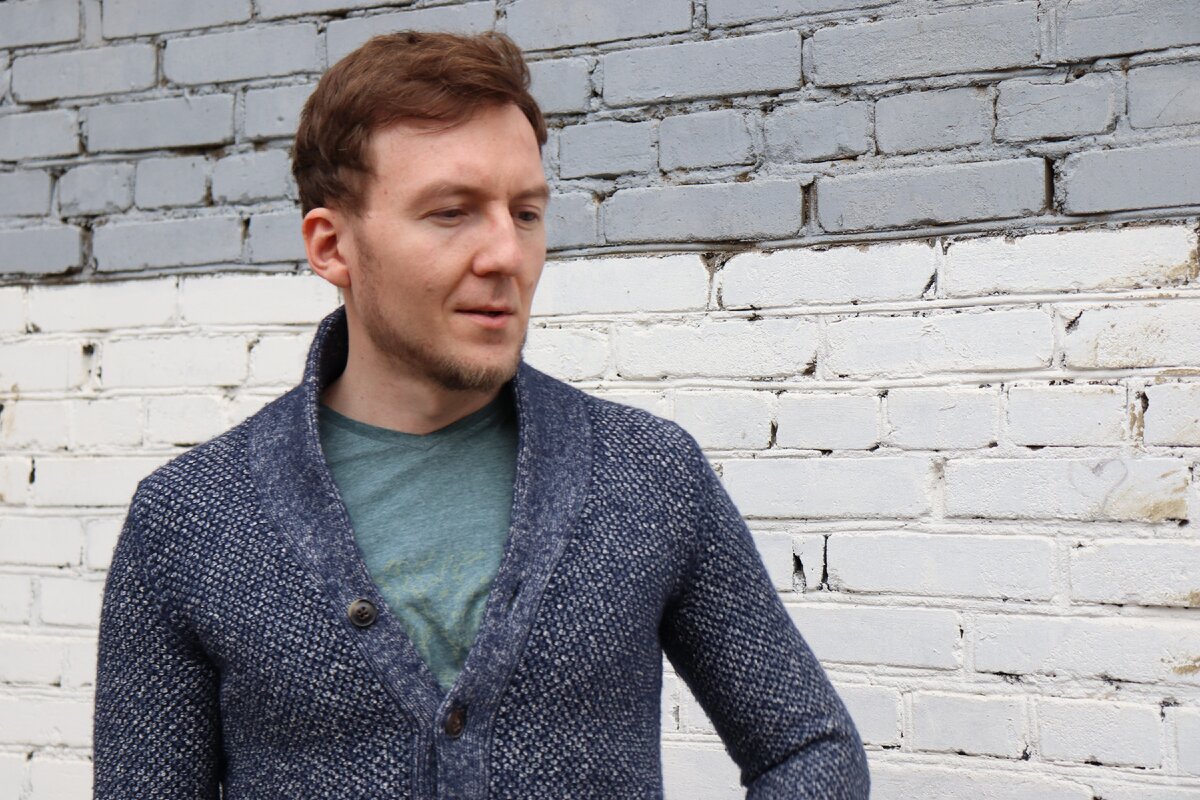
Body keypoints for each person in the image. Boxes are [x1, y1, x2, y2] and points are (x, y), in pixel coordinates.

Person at [92, 30, 869, 799]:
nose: (506, 255)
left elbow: (811, 749)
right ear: (332, 246)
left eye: (525, 213)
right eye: (451, 212)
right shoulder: (190, 519)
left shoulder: (649, 473)